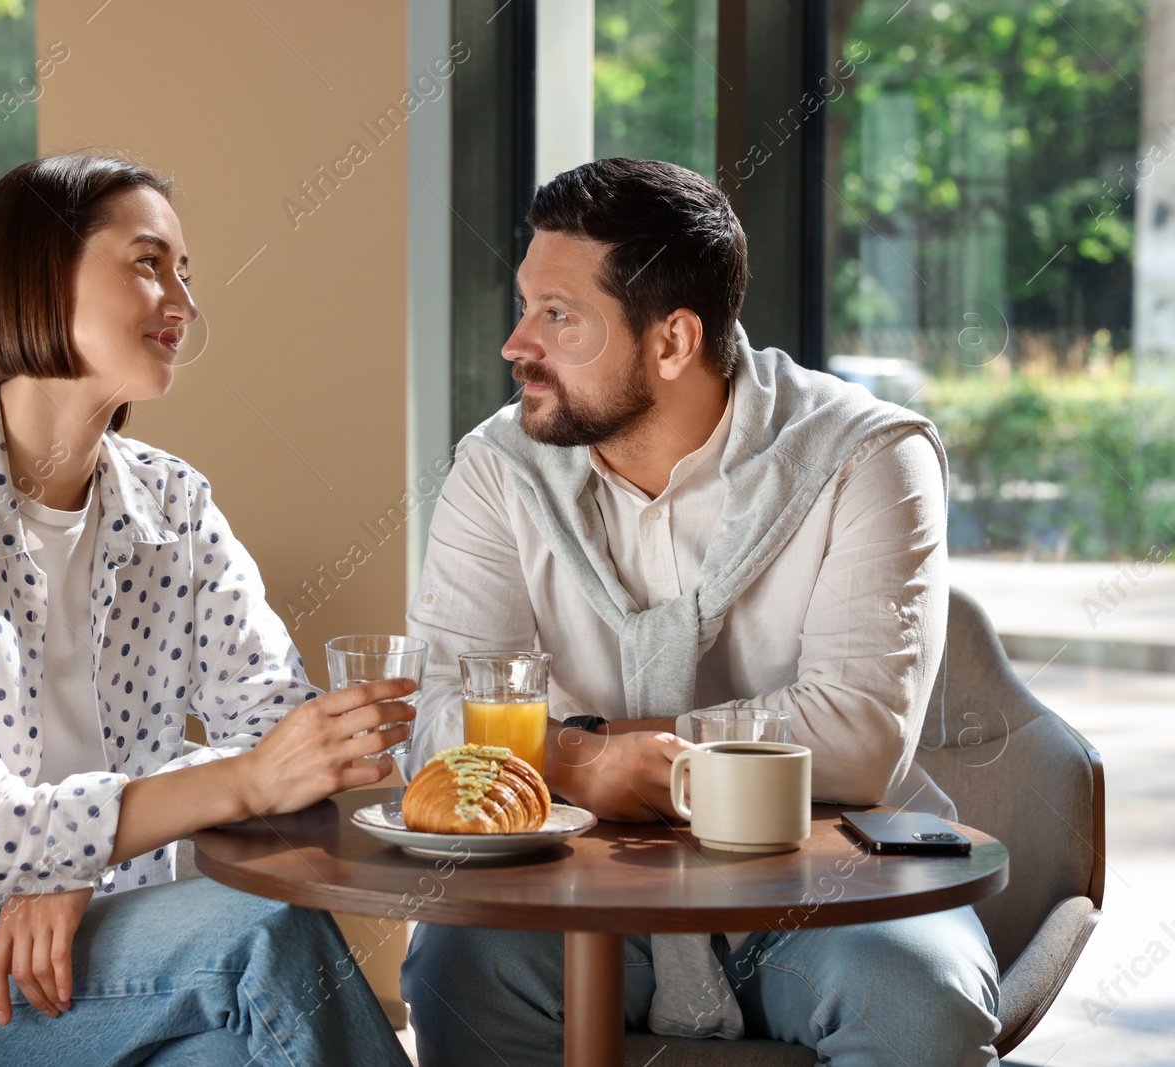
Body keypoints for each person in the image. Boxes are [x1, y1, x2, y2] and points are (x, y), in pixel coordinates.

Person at [0, 153, 414, 1067]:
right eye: (150, 262)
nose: (183, 301)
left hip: (97, 947)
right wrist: (216, 788)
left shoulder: (174, 506)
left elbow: (280, 730)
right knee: (266, 938)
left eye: (185, 273)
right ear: (40, 274)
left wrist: (80, 861)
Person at [399, 158, 1000, 1065]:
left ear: (672, 341)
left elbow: (856, 736)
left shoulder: (868, 456)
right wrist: (574, 756)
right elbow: (435, 720)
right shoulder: (498, 466)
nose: (515, 343)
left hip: (825, 892)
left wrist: (596, 748)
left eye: (558, 316)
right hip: (576, 893)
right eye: (525, 306)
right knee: (455, 965)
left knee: (920, 998)